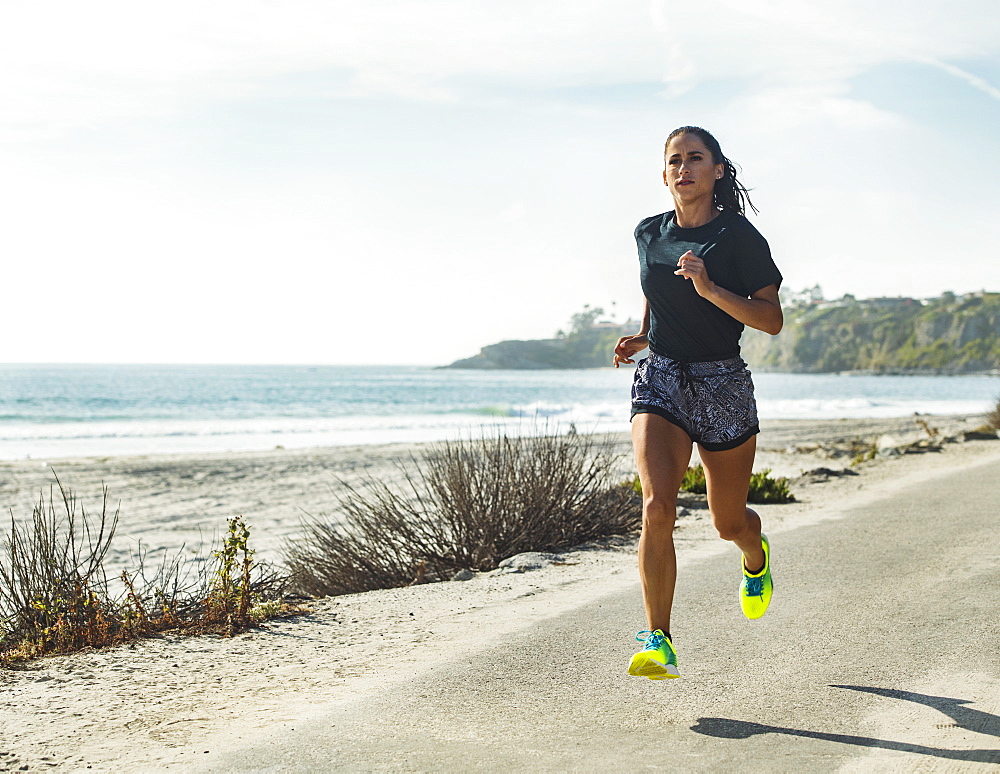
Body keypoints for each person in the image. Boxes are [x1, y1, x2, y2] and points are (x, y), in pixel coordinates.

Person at [614, 126, 783, 680]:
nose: (684, 167)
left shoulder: (739, 238)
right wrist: (644, 335)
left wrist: (710, 290)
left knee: (727, 522)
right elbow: (654, 288)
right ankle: (658, 640)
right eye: (674, 160)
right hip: (660, 377)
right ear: (664, 174)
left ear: (716, 170)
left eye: (695, 158)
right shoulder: (648, 233)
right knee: (658, 506)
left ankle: (754, 559)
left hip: (722, 384)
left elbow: (770, 320)